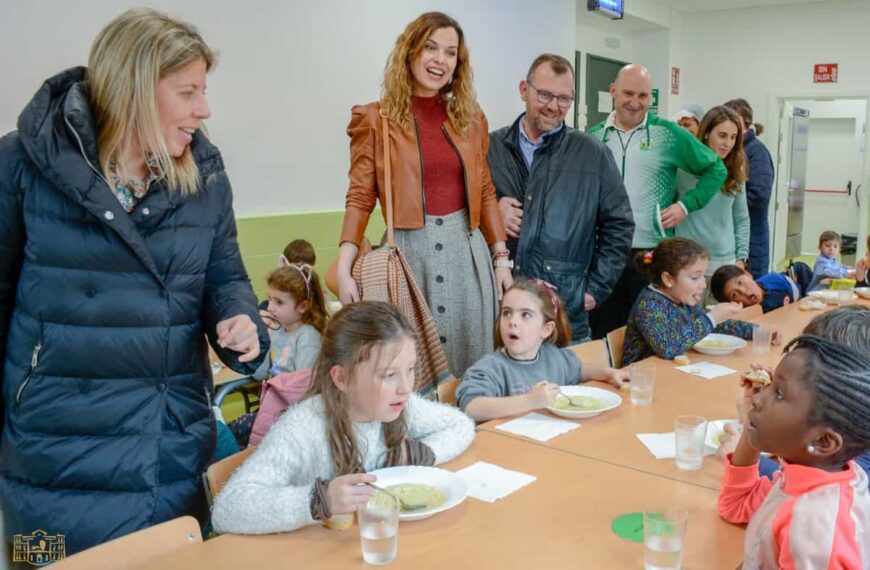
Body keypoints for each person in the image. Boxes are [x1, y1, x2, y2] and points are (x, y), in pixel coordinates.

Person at [0, 8, 267, 555]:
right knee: (43, 559)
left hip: (167, 448)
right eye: (188, 93)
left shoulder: (205, 177)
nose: (204, 109)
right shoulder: (21, 163)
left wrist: (240, 321)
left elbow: (225, 278)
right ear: (135, 89)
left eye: (203, 92)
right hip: (51, 452)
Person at [335, 12, 510, 377]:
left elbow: (484, 190)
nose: (439, 60)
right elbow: (360, 196)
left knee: (472, 366)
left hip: (467, 255)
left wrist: (501, 257)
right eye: (431, 48)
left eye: (450, 53)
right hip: (408, 256)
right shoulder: (375, 119)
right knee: (408, 369)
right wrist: (344, 266)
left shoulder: (470, 119)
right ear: (410, 50)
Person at [211, 301, 475, 534]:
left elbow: (461, 425)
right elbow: (227, 509)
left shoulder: (400, 405)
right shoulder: (303, 427)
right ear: (342, 378)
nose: (406, 387)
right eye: (389, 375)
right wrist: (317, 500)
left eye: (410, 369)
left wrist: (422, 453)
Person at [487, 54, 634, 342]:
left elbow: (620, 225)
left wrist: (593, 291)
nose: (554, 106)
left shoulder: (593, 154)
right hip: (502, 309)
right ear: (524, 90)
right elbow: (460, 212)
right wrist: (490, 213)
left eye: (564, 99)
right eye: (544, 95)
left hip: (565, 313)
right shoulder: (489, 148)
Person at [587, 64, 726, 339]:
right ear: (613, 90)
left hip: (651, 253)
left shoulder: (668, 133)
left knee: (651, 335)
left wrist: (685, 205)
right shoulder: (594, 136)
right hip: (605, 252)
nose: (635, 102)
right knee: (604, 333)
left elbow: (716, 169)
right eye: (628, 93)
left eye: (643, 96)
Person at [717, 335, 870, 568]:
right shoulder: (809, 476)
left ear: (823, 441)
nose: (758, 399)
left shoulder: (813, 528)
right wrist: (753, 423)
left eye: (779, 394)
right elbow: (735, 506)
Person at [717, 305, 870, 483]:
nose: (758, 398)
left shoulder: (836, 491)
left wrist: (752, 459)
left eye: (779, 393)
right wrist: (759, 421)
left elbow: (830, 483)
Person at [457, 278, 629, 422]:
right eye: (507, 313)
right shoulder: (489, 368)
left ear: (546, 330)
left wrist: (609, 373)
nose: (512, 321)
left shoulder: (553, 356)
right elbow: (472, 407)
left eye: (525, 315)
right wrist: (529, 401)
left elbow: (579, 370)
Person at [622, 238, 777, 365]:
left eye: (703, 276)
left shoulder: (682, 299)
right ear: (668, 279)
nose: (703, 284)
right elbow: (668, 347)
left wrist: (759, 331)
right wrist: (712, 318)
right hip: (641, 381)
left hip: (674, 374)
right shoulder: (649, 305)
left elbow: (713, 326)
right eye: (695, 277)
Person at [229, 264, 329, 448]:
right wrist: (261, 338)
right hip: (271, 408)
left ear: (303, 306)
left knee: (228, 435)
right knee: (227, 434)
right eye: (269, 299)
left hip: (290, 417)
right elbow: (260, 374)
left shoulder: (307, 337)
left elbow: (305, 390)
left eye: (279, 302)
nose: (270, 308)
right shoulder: (276, 331)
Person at [675, 106, 749, 304]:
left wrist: (741, 259)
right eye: (722, 135)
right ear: (706, 133)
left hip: (724, 264)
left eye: (733, 137)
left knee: (721, 322)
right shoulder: (682, 168)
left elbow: (741, 218)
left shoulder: (735, 170)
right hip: (686, 263)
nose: (728, 144)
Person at [724, 98, 774, 278]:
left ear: (739, 121)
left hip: (752, 242)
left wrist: (724, 203)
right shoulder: (735, 151)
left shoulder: (757, 152)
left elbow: (759, 197)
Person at [710, 264, 805, 313]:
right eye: (734, 294)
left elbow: (799, 299)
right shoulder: (745, 317)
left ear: (748, 274)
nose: (743, 291)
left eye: (740, 282)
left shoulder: (778, 282)